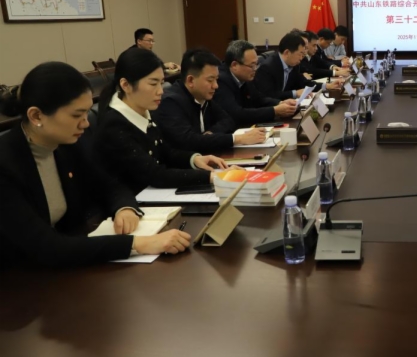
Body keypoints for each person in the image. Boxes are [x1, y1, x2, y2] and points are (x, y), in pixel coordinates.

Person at [0, 62, 191, 268]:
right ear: (36, 116)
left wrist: (124, 208)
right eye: (76, 115)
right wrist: (138, 244)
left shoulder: (66, 144)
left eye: (86, 113)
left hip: (67, 263)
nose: (86, 123)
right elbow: (46, 246)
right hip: (21, 275)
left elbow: (109, 184)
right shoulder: (6, 163)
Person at [94, 48, 228, 195]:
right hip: (134, 201)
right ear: (126, 85)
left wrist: (194, 159)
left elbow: (165, 152)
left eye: (161, 83)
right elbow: (155, 175)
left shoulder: (144, 111)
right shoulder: (114, 124)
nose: (161, 91)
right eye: (153, 84)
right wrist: (210, 176)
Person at [152, 49, 267, 153]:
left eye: (216, 79)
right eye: (210, 80)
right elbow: (188, 141)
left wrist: (211, 134)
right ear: (191, 80)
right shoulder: (171, 102)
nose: (216, 86)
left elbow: (227, 120)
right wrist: (237, 139)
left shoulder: (203, 95)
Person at [216, 40, 296, 126]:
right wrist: (274, 111)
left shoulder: (245, 76)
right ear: (234, 65)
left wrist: (280, 103)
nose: (255, 69)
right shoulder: (220, 80)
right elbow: (237, 114)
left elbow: (258, 99)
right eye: (252, 65)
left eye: (256, 64)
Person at [254, 32, 339, 101]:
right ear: (287, 53)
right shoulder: (267, 68)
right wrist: (295, 93)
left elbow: (304, 82)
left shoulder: (292, 64)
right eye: (300, 54)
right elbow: (268, 95)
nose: (302, 58)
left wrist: (326, 86)